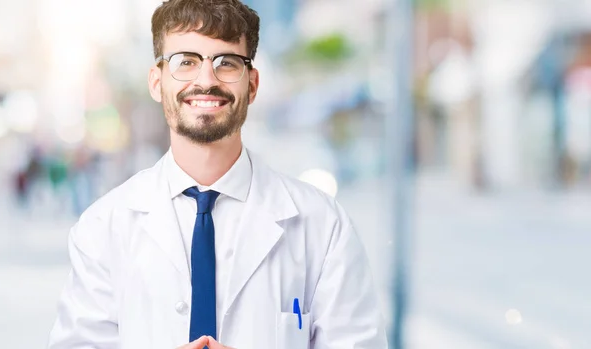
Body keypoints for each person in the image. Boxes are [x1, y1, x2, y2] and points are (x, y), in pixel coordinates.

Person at [47, 0, 388, 348]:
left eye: (227, 63)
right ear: (156, 81)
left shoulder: (324, 226)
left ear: (252, 84)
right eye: (186, 62)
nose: (206, 80)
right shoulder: (103, 228)